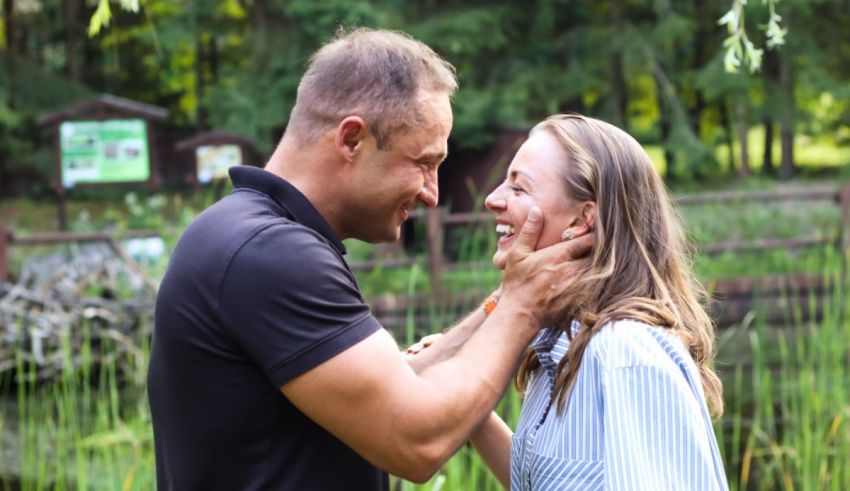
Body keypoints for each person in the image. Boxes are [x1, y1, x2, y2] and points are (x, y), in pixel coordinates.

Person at [147, 29, 590, 490]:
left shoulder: (244, 233)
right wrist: (523, 306)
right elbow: (416, 443)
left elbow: (384, 388)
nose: (432, 194)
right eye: (422, 162)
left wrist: (503, 299)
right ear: (352, 139)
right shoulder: (267, 252)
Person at [464, 114, 728, 490]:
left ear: (583, 218)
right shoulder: (560, 345)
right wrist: (471, 412)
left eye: (519, 189)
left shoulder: (625, 352)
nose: (493, 199)